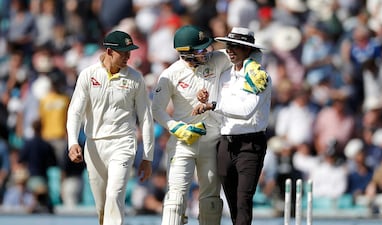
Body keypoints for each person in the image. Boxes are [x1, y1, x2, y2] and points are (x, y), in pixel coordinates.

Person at [66, 30, 154, 225]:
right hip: (94, 145)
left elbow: (146, 118)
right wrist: (72, 142)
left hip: (123, 143)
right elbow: (75, 112)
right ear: (109, 51)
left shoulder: (136, 78)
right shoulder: (88, 75)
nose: (128, 57)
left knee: (114, 195)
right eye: (123, 52)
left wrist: (147, 157)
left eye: (129, 52)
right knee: (102, 206)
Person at [151, 25, 232, 225]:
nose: (206, 52)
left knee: (211, 199)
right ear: (185, 52)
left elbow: (249, 53)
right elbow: (157, 109)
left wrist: (254, 67)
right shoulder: (170, 74)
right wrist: (176, 128)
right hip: (182, 143)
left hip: (212, 141)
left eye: (206, 47)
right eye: (200, 49)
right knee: (176, 198)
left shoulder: (217, 60)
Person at [192, 27, 271, 225]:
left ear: (248, 49)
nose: (230, 50)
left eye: (236, 46)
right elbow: (215, 100)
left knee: (244, 199)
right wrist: (205, 96)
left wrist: (213, 105)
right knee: (233, 201)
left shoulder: (259, 77)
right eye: (229, 46)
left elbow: (246, 111)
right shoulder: (225, 75)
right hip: (225, 144)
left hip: (250, 144)